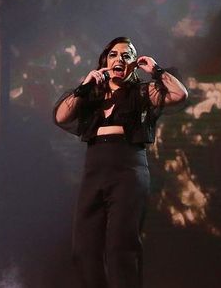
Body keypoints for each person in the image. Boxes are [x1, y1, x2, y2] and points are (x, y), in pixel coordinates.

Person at [54, 36, 188, 288]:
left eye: (127, 56)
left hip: (128, 170)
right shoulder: (92, 95)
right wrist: (84, 85)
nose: (120, 59)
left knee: (120, 249)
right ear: (105, 60)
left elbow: (179, 95)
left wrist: (156, 70)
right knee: (83, 251)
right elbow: (61, 116)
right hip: (95, 171)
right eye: (114, 54)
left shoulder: (141, 91)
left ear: (133, 64)